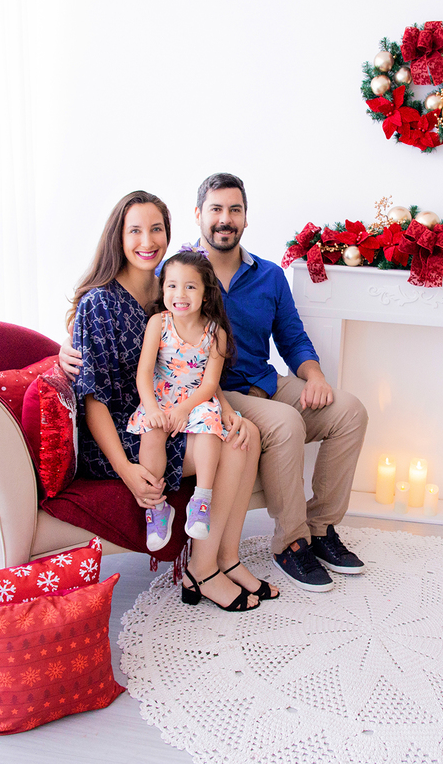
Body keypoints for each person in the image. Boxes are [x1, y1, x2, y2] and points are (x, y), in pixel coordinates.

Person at [65, 174, 370, 592]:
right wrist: (65, 349)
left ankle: (318, 530)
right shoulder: (173, 279)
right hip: (182, 403)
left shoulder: (244, 278)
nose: (225, 219)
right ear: (199, 217)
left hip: (240, 387)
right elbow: (104, 366)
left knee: (347, 411)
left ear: (246, 217)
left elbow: (290, 337)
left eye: (235, 210)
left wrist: (313, 373)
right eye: (216, 210)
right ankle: (281, 547)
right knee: (268, 428)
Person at [69, 190, 275, 611]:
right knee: (236, 447)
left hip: (174, 414)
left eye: (157, 229)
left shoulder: (168, 289)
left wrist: (227, 410)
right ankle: (201, 570)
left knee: (244, 431)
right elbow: (92, 398)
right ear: (118, 237)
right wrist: (126, 470)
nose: (148, 240)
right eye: (135, 231)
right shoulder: (99, 303)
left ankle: (226, 558)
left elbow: (193, 366)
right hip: (127, 433)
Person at [126, 249, 236, 552]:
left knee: (210, 432)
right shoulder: (158, 324)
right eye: (172, 285)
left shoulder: (215, 333)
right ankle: (157, 508)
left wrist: (185, 409)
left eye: (190, 286)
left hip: (197, 399)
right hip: (161, 396)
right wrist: (152, 409)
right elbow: (143, 374)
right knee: (151, 435)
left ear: (205, 293)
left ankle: (201, 500)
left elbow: (210, 383)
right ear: (163, 290)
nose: (180, 294)